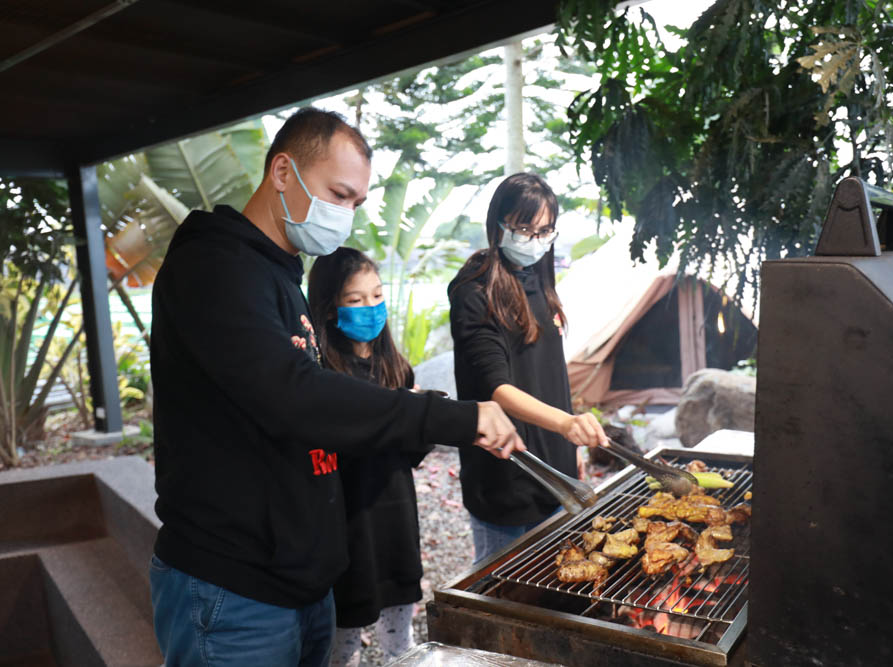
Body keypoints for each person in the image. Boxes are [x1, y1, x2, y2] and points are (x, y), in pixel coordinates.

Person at [148, 108, 524, 667]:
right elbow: (293, 395)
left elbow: (322, 396)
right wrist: (457, 419)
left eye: (356, 203)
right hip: (233, 590)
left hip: (300, 585)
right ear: (282, 172)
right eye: (338, 194)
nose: (345, 214)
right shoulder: (213, 267)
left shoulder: (279, 273)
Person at [448, 172, 609, 562]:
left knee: (554, 581)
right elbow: (496, 388)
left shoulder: (538, 279)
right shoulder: (474, 291)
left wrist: (570, 451)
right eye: (524, 228)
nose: (535, 241)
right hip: (506, 473)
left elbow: (549, 374)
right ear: (498, 225)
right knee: (500, 592)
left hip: (555, 475)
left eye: (545, 231)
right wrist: (567, 425)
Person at [307, 248, 423, 666]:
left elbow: (410, 455)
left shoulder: (397, 369)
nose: (370, 309)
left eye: (376, 297)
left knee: (401, 642)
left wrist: (421, 418)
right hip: (348, 528)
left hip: (396, 522)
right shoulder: (322, 378)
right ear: (328, 307)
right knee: (344, 643)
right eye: (355, 301)